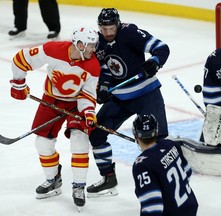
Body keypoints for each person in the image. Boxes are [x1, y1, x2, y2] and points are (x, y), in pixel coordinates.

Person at [10, 26, 100, 209]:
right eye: (91, 45)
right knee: (42, 144)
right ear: (80, 44)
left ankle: (79, 186)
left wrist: (89, 112)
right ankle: (53, 179)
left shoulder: (93, 65)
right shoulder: (53, 50)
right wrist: (19, 84)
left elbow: (88, 95)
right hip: (51, 100)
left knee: (79, 140)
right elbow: (21, 59)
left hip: (76, 104)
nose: (94, 49)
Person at [86, 8, 170, 197]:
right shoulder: (97, 42)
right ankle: (108, 178)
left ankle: (163, 182)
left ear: (118, 25)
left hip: (147, 93)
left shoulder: (130, 32)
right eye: (104, 28)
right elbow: (105, 70)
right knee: (96, 133)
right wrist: (104, 89)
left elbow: (162, 47)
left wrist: (154, 62)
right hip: (121, 97)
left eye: (111, 28)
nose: (108, 32)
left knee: (158, 140)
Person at [132, 114, 198, 216]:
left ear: (135, 135)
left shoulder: (142, 164)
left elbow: (153, 207)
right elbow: (187, 172)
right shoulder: (170, 145)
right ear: (156, 131)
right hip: (189, 208)